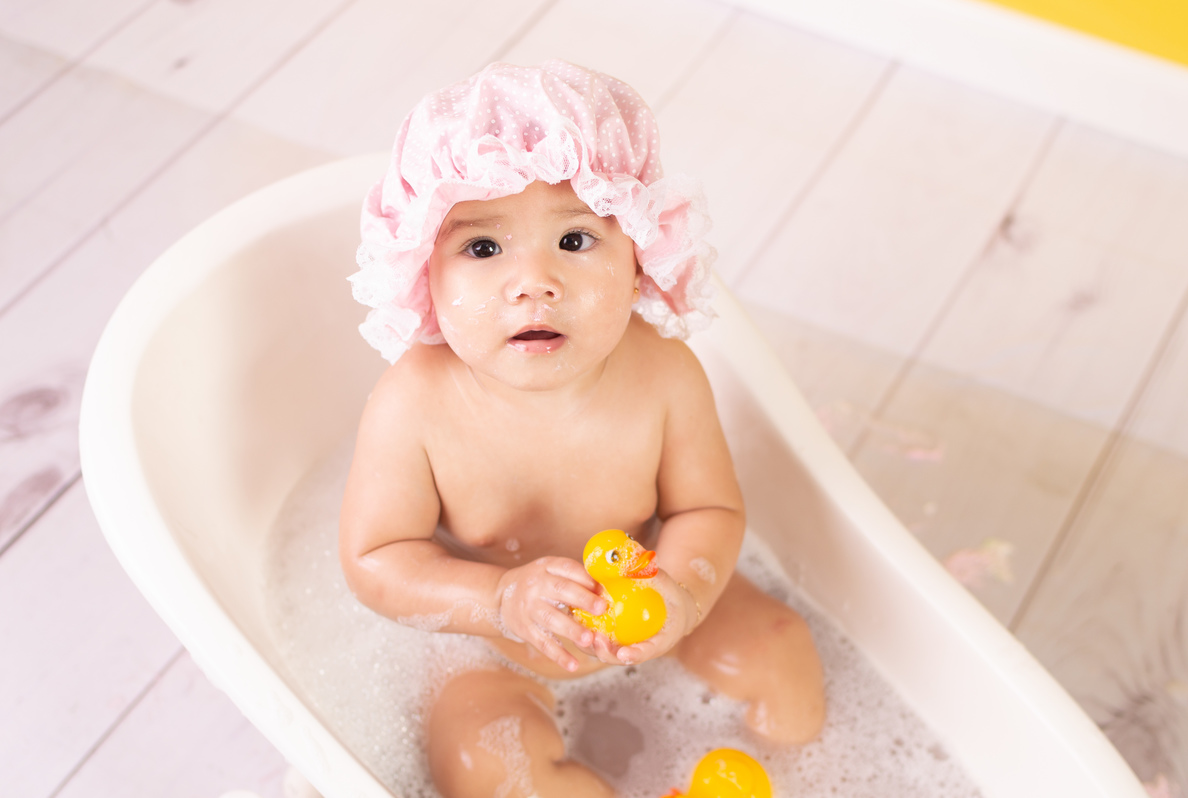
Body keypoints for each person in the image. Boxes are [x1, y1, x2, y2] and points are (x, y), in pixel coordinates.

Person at [339, 60, 825, 798]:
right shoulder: (415, 403)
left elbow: (708, 511)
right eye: (482, 248)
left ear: (639, 258)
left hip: (648, 588)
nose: (533, 280)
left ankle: (792, 775)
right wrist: (499, 601)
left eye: (573, 241)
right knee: (493, 768)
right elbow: (376, 559)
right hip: (492, 647)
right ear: (421, 276)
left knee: (784, 651)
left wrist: (682, 593)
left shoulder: (664, 373)